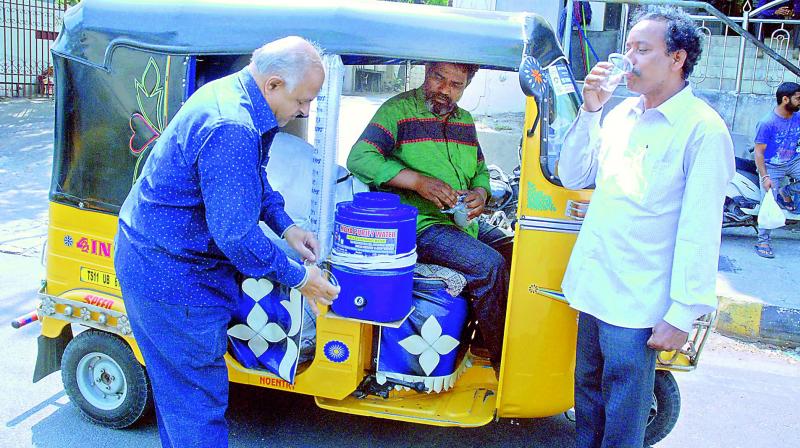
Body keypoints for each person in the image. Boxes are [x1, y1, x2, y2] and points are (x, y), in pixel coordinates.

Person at [114, 37, 340, 447]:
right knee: (196, 404)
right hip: (170, 275)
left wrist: (287, 226)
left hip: (170, 259)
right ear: (273, 84)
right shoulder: (231, 125)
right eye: (304, 100)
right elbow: (235, 234)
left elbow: (252, 179)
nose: (305, 111)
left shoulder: (243, 99)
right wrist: (298, 276)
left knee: (183, 400)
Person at [558, 6, 734, 447]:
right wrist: (591, 108)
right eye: (628, 47)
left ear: (677, 58)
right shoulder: (620, 116)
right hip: (595, 287)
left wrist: (682, 312)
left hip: (638, 303)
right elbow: (573, 175)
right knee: (587, 398)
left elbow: (701, 229)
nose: (628, 59)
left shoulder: (702, 130)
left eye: (643, 49)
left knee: (623, 414)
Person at [346, 62, 512, 371]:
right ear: (426, 71)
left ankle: (479, 341)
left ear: (467, 86)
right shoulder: (397, 111)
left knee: (516, 251)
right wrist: (417, 182)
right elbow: (359, 158)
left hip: (461, 220)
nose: (444, 90)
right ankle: (504, 361)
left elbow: (480, 170)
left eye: (455, 85)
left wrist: (481, 193)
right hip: (418, 225)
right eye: (439, 78)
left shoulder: (465, 120)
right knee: (489, 266)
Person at [753, 81, 800, 258]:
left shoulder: (797, 117)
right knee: (768, 201)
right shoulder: (767, 123)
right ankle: (762, 240)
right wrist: (765, 177)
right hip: (771, 165)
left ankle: (785, 190)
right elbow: (759, 152)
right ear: (785, 99)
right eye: (798, 98)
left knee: (779, 193)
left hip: (793, 161)